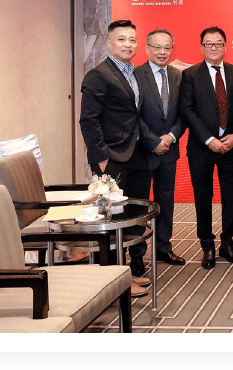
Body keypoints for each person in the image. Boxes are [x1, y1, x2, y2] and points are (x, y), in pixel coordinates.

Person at [79, 19, 152, 297]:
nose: (128, 44)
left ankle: (126, 273)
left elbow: (133, 114)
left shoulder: (133, 72)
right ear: (109, 43)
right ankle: (112, 281)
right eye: (121, 39)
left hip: (136, 155)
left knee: (132, 216)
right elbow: (88, 121)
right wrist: (101, 159)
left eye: (132, 40)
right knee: (111, 219)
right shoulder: (98, 75)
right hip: (112, 158)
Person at [179, 26, 233, 269]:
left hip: (231, 146)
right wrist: (208, 139)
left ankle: (228, 242)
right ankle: (206, 243)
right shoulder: (190, 75)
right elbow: (187, 110)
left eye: (218, 43)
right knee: (202, 196)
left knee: (230, 196)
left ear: (225, 46)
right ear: (201, 47)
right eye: (209, 44)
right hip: (201, 148)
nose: (214, 48)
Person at [135, 28, 187, 266]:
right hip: (143, 152)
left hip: (169, 151)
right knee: (140, 204)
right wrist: (153, 141)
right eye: (157, 47)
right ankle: (137, 255)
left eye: (167, 47)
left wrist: (171, 136)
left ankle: (163, 248)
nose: (162, 52)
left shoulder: (178, 76)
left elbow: (184, 112)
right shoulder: (136, 75)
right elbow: (134, 115)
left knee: (165, 201)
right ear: (147, 48)